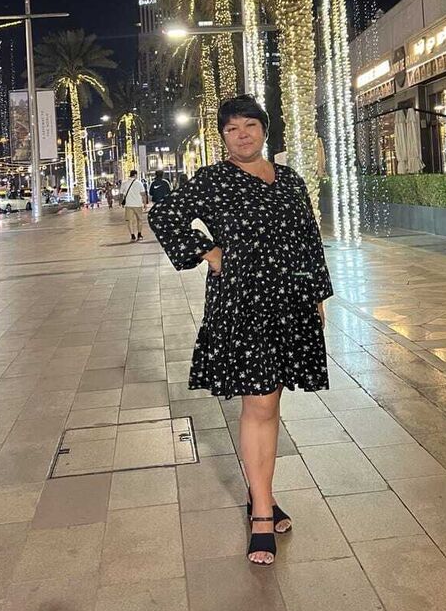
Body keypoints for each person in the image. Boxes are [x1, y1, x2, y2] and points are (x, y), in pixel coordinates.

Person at [148, 95, 331, 566]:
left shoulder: (289, 179)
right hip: (243, 303)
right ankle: (262, 514)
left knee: (272, 400)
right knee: (260, 402)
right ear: (223, 137)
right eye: (232, 128)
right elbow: (164, 214)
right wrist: (210, 252)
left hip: (290, 302)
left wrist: (317, 295)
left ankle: (259, 494)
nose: (242, 134)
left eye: (250, 125)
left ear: (264, 129)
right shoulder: (212, 180)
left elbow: (307, 238)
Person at [120, 169, 147, 241]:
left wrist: (121, 202)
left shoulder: (124, 183)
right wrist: (145, 204)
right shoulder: (139, 183)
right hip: (138, 204)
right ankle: (139, 234)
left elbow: (121, 194)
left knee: (130, 221)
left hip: (128, 205)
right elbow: (143, 194)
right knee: (139, 220)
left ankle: (132, 235)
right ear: (135, 175)